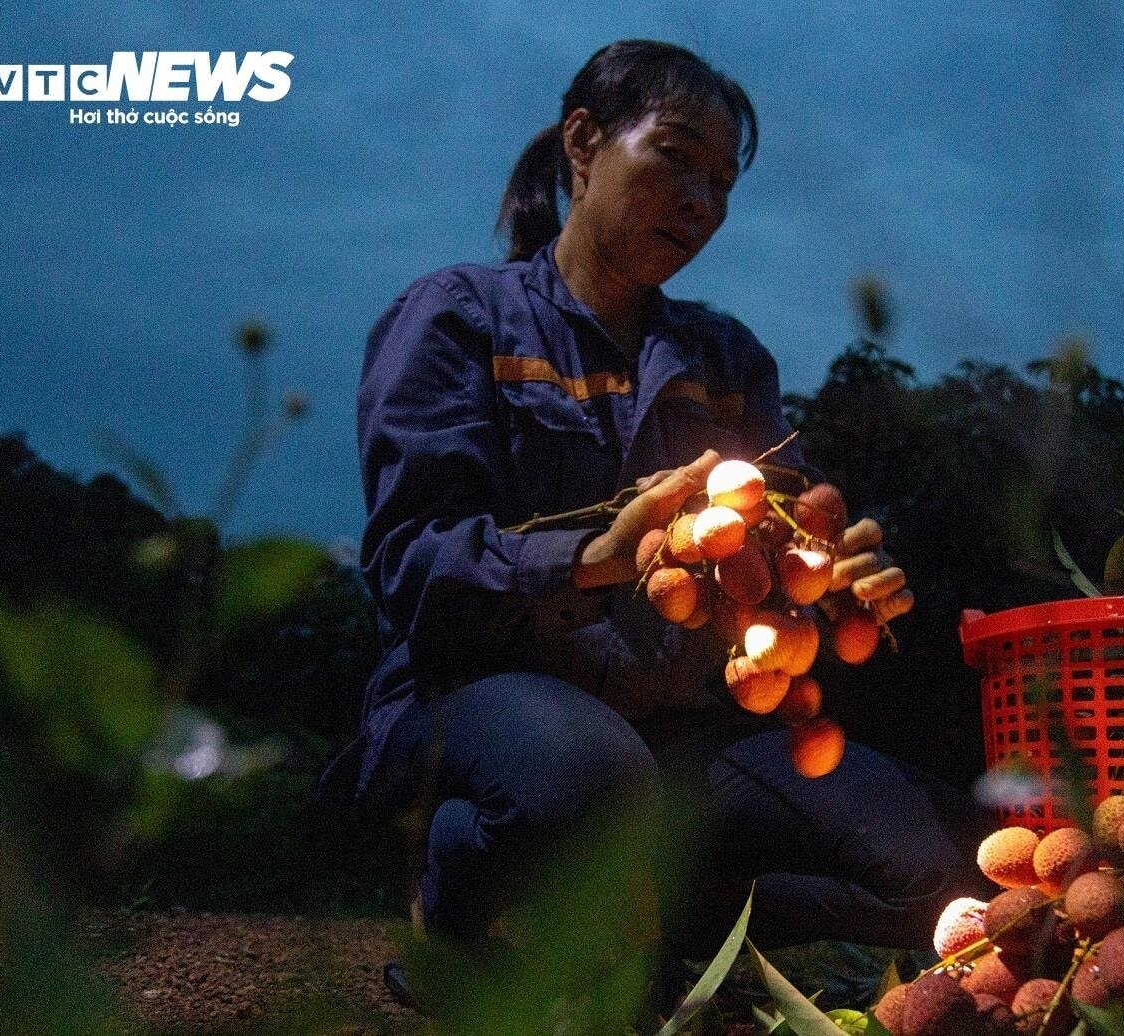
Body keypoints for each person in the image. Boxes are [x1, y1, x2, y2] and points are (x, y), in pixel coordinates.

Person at [335, 38, 993, 1021]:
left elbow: (784, 562)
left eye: (721, 183)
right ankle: (462, 898)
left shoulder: (724, 358)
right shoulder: (459, 319)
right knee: (582, 775)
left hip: (685, 735)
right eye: (675, 156)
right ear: (584, 143)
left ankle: (662, 916)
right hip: (486, 705)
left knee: (943, 864)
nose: (700, 201)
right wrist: (594, 557)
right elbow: (411, 566)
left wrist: (837, 570)